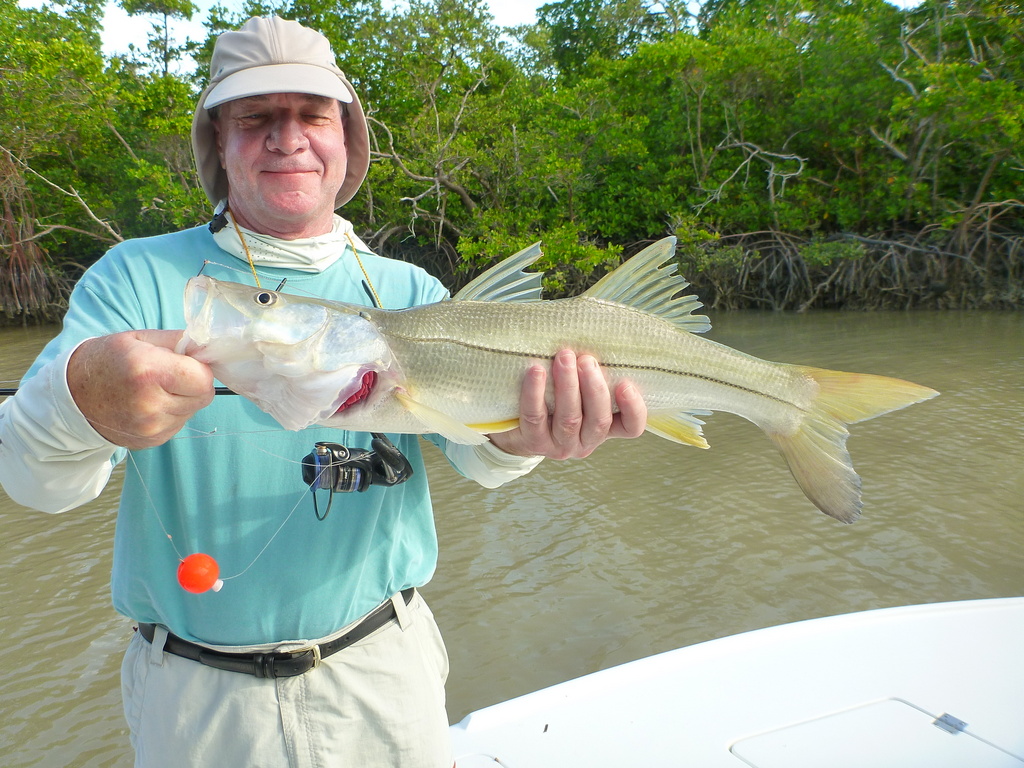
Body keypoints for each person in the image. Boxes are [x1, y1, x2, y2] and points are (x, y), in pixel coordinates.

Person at [0, 16, 646, 768]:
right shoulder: (135, 277)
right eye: (255, 119)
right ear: (217, 142)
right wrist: (76, 402)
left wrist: (522, 439)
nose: (288, 138)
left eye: (312, 114)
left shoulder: (410, 290)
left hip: (385, 671)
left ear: (346, 139)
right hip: (193, 696)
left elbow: (479, 458)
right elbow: (34, 484)